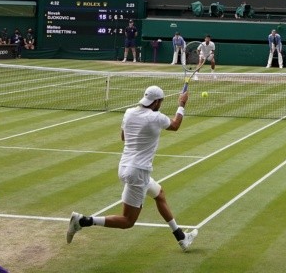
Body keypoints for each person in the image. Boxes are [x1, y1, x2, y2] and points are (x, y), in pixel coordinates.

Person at [66, 85, 197, 252]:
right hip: (139, 172)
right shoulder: (156, 117)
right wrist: (182, 104)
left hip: (125, 167)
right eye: (161, 102)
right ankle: (83, 221)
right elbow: (176, 125)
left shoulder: (129, 113)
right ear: (156, 102)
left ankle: (181, 238)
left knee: (160, 194)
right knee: (128, 221)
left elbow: (123, 137)